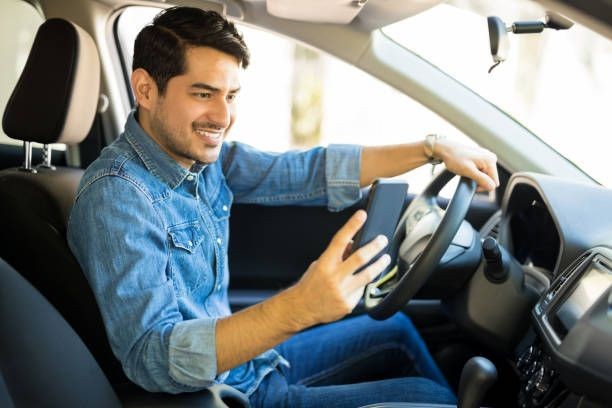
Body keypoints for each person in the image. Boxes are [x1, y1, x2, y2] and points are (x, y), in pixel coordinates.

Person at [67, 6, 499, 407]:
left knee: (397, 329)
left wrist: (432, 148)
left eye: (231, 96)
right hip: (227, 394)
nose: (222, 116)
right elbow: (152, 357)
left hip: (249, 364)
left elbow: (308, 172)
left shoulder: (200, 160)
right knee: (431, 398)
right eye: (203, 94)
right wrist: (299, 307)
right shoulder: (118, 197)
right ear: (145, 89)